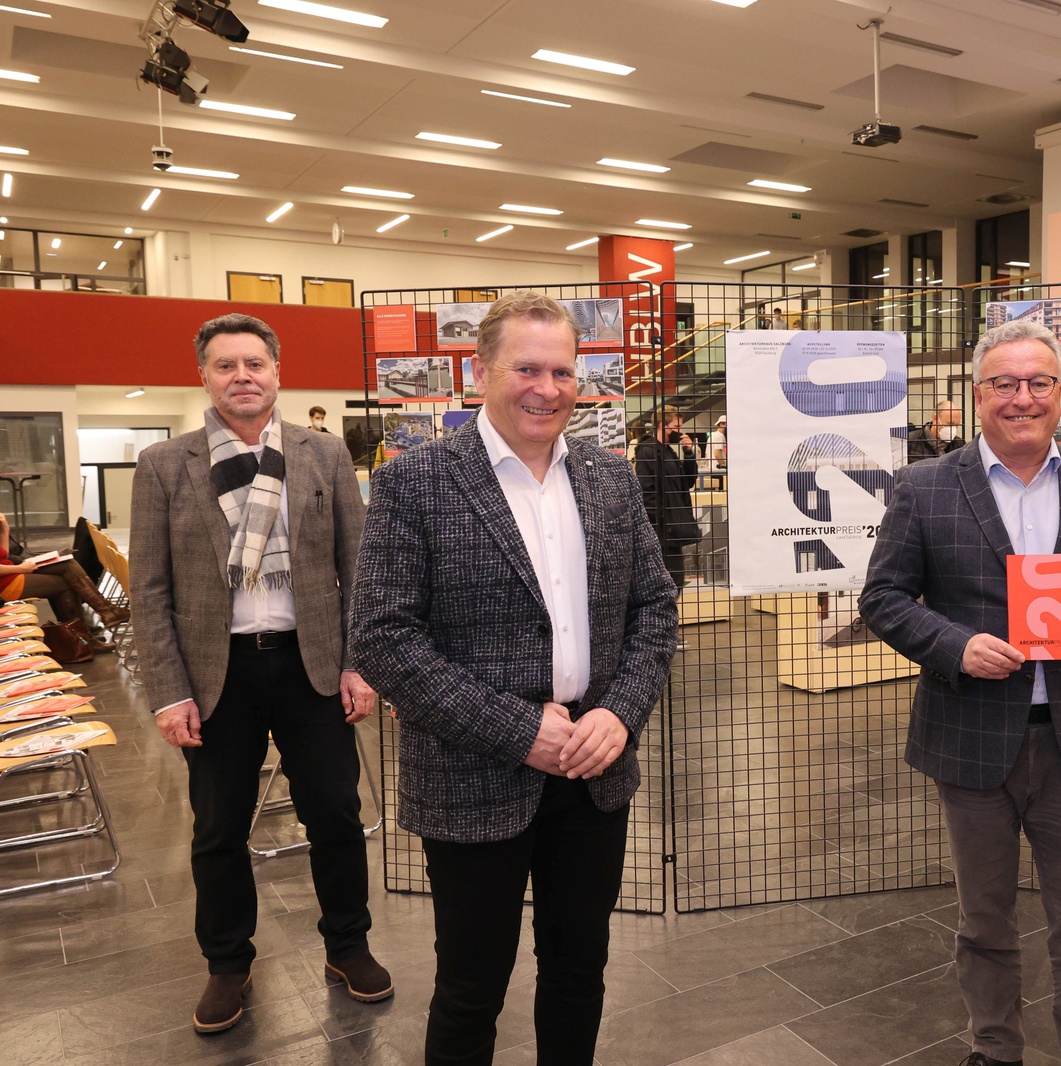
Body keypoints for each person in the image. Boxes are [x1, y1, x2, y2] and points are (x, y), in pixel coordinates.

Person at [348, 291, 678, 1066]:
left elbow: (655, 610)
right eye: (527, 368)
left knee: (578, 971)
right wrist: (518, 730)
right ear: (481, 372)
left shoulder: (609, 479)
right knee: (471, 986)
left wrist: (620, 714)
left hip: (595, 771)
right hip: (471, 774)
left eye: (562, 371)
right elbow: (384, 639)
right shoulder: (415, 482)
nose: (547, 388)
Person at [860, 318, 1061, 1066]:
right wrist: (956, 647)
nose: (1022, 398)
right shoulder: (925, 487)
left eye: (1038, 382)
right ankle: (994, 1048)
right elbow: (884, 599)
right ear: (978, 394)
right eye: (1004, 383)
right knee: (984, 922)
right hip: (971, 737)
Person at [128, 313, 389, 1034]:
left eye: (254, 363)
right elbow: (149, 589)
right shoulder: (164, 465)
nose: (241, 376)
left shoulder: (323, 453)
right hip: (217, 677)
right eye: (225, 365)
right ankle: (227, 963)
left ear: (276, 372)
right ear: (204, 377)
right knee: (218, 829)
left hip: (312, 667)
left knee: (335, 815)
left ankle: (348, 945)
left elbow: (359, 570)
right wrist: (169, 693)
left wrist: (359, 665)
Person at [0, 512, 129, 653]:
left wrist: (5, 529)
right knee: (66, 582)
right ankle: (97, 625)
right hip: (5, 585)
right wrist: (20, 568)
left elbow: (3, 556)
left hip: (10, 575)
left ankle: (88, 635)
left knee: (67, 565)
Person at [633, 403, 701, 590]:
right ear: (663, 426)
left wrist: (689, 453)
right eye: (676, 427)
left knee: (675, 580)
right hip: (662, 529)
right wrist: (656, 525)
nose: (680, 431)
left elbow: (687, 482)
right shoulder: (648, 451)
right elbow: (647, 491)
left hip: (672, 528)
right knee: (669, 581)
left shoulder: (668, 451)